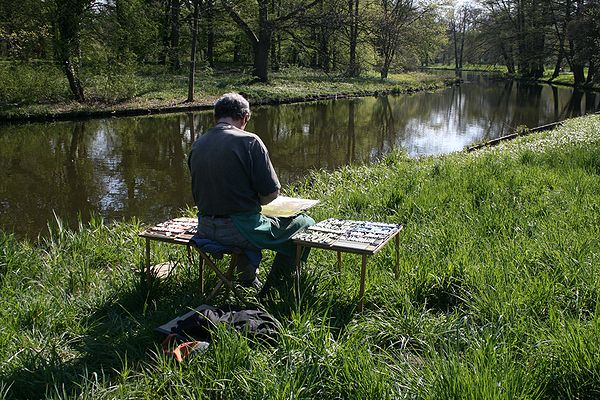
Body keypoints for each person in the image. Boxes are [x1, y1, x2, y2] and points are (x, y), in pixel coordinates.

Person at [188, 92, 314, 297]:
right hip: (238, 230)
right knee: (304, 223)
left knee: (253, 218)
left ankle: (247, 278)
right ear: (245, 117)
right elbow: (271, 193)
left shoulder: (198, 144)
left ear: (215, 117)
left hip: (204, 228)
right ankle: (274, 288)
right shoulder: (250, 142)